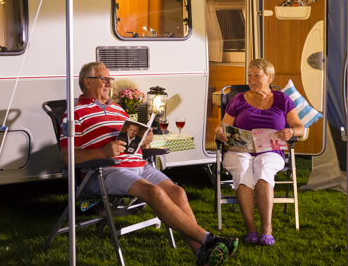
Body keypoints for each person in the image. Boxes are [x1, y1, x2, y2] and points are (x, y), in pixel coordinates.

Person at [61, 62, 238, 265]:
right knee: (154, 193)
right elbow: (67, 157)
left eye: (110, 79)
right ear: (87, 82)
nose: (109, 84)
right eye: (104, 79)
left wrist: (144, 141)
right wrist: (102, 152)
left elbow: (132, 144)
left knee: (178, 192)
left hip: (138, 165)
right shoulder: (74, 113)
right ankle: (210, 239)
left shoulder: (117, 109)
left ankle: (201, 253)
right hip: (105, 170)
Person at [214, 59, 304, 246]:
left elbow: (300, 128)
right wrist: (220, 132)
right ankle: (251, 228)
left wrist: (291, 132)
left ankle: (266, 229)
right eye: (249, 75)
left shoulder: (282, 100)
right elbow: (223, 125)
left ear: (269, 77)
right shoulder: (237, 100)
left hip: (270, 150)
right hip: (239, 149)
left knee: (264, 168)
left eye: (256, 75)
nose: (251, 79)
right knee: (242, 167)